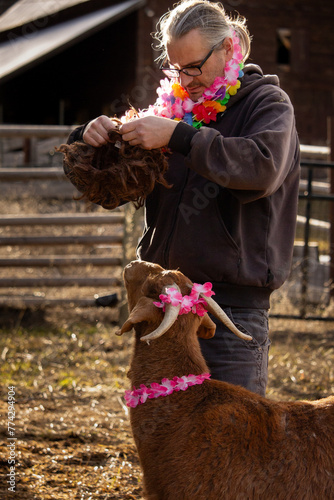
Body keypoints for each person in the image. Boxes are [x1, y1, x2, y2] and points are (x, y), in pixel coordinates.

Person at [65, 0, 300, 397]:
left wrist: (178, 137)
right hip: (163, 303)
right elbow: (111, 189)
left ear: (228, 48)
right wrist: (89, 140)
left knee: (230, 444)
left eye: (195, 66)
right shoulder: (170, 111)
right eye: (177, 68)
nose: (186, 79)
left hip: (228, 309)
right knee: (167, 438)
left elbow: (261, 168)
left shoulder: (268, 105)